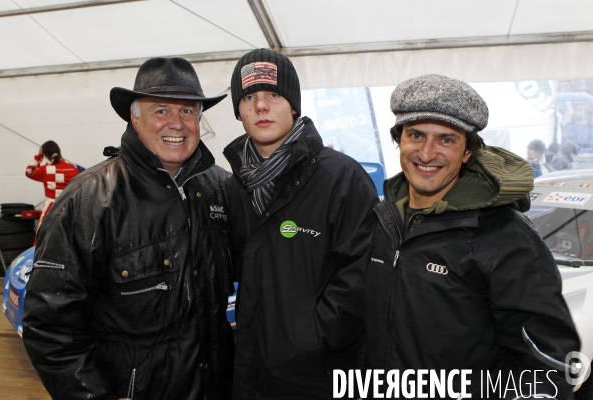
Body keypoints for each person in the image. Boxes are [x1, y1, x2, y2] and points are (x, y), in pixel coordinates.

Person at [22, 57, 235, 400]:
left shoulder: (220, 188)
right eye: (161, 111)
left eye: (188, 112)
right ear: (135, 119)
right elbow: (50, 327)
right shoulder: (87, 201)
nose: (177, 124)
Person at [364, 74, 580, 398]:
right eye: (416, 135)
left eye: (446, 139)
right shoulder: (382, 220)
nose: (426, 153)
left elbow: (548, 368)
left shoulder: (503, 236)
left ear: (467, 152)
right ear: (399, 140)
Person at [223, 49, 378, 399]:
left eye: (273, 95)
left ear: (293, 105)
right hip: (253, 367)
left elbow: (361, 273)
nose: (261, 106)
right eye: (249, 97)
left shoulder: (341, 176)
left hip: (321, 372)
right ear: (238, 111)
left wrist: (309, 337)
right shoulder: (235, 185)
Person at [25, 140, 80, 229]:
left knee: (42, 236)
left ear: (45, 154)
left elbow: (29, 172)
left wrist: (39, 157)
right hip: (69, 207)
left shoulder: (46, 169)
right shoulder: (73, 169)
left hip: (50, 208)